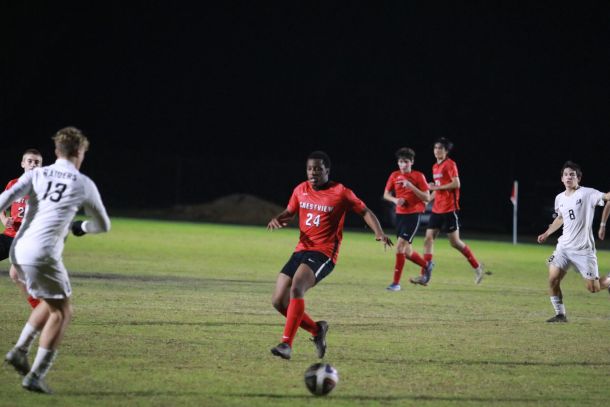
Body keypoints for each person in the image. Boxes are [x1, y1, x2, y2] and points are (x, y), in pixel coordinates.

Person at [1, 127, 110, 394]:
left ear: (56, 151)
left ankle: (19, 350)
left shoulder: (36, 174)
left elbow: (3, 200)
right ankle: (35, 375)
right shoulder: (83, 183)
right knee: (63, 312)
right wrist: (81, 227)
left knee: (51, 302)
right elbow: (103, 225)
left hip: (19, 250)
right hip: (43, 255)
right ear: (79, 152)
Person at [267, 151, 392, 360]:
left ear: (327, 170)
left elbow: (365, 211)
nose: (313, 173)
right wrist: (279, 218)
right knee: (278, 301)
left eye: (317, 169)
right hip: (301, 249)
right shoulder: (300, 189)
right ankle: (317, 330)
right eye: (309, 169)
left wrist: (379, 233)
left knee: (297, 288)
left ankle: (286, 344)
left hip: (324, 253)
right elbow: (290, 212)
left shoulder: (341, 192)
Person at [537, 161, 610, 322]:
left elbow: (606, 197)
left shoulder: (587, 193)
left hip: (583, 250)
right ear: (562, 179)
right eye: (566, 174)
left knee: (593, 288)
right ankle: (560, 315)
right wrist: (547, 233)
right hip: (563, 247)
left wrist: (603, 223)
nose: (569, 177)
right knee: (553, 279)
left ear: (579, 178)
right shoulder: (559, 198)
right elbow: (561, 218)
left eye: (572, 174)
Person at [409, 137, 484, 286]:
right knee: (428, 239)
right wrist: (427, 200)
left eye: (440, 148)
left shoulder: (450, 164)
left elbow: (456, 183)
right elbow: (437, 189)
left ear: (446, 151)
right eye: (435, 148)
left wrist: (437, 187)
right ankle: (425, 275)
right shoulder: (435, 167)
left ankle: (477, 267)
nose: (437, 150)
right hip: (437, 209)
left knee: (455, 243)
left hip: (450, 209)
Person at [382, 147, 432, 291]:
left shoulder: (418, 176)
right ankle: (427, 265)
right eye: (400, 162)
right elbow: (386, 194)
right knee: (407, 252)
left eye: (406, 162)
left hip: (413, 215)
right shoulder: (394, 175)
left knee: (399, 247)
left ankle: (396, 283)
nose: (403, 165)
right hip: (400, 216)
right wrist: (395, 200)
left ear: (412, 162)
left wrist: (411, 187)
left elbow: (427, 197)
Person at [1, 149, 44, 309]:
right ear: (23, 164)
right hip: (10, 235)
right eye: (30, 161)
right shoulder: (13, 184)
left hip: (28, 239)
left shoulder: (44, 187)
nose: (33, 164)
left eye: (37, 162)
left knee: (15, 274)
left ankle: (40, 307)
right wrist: (5, 219)